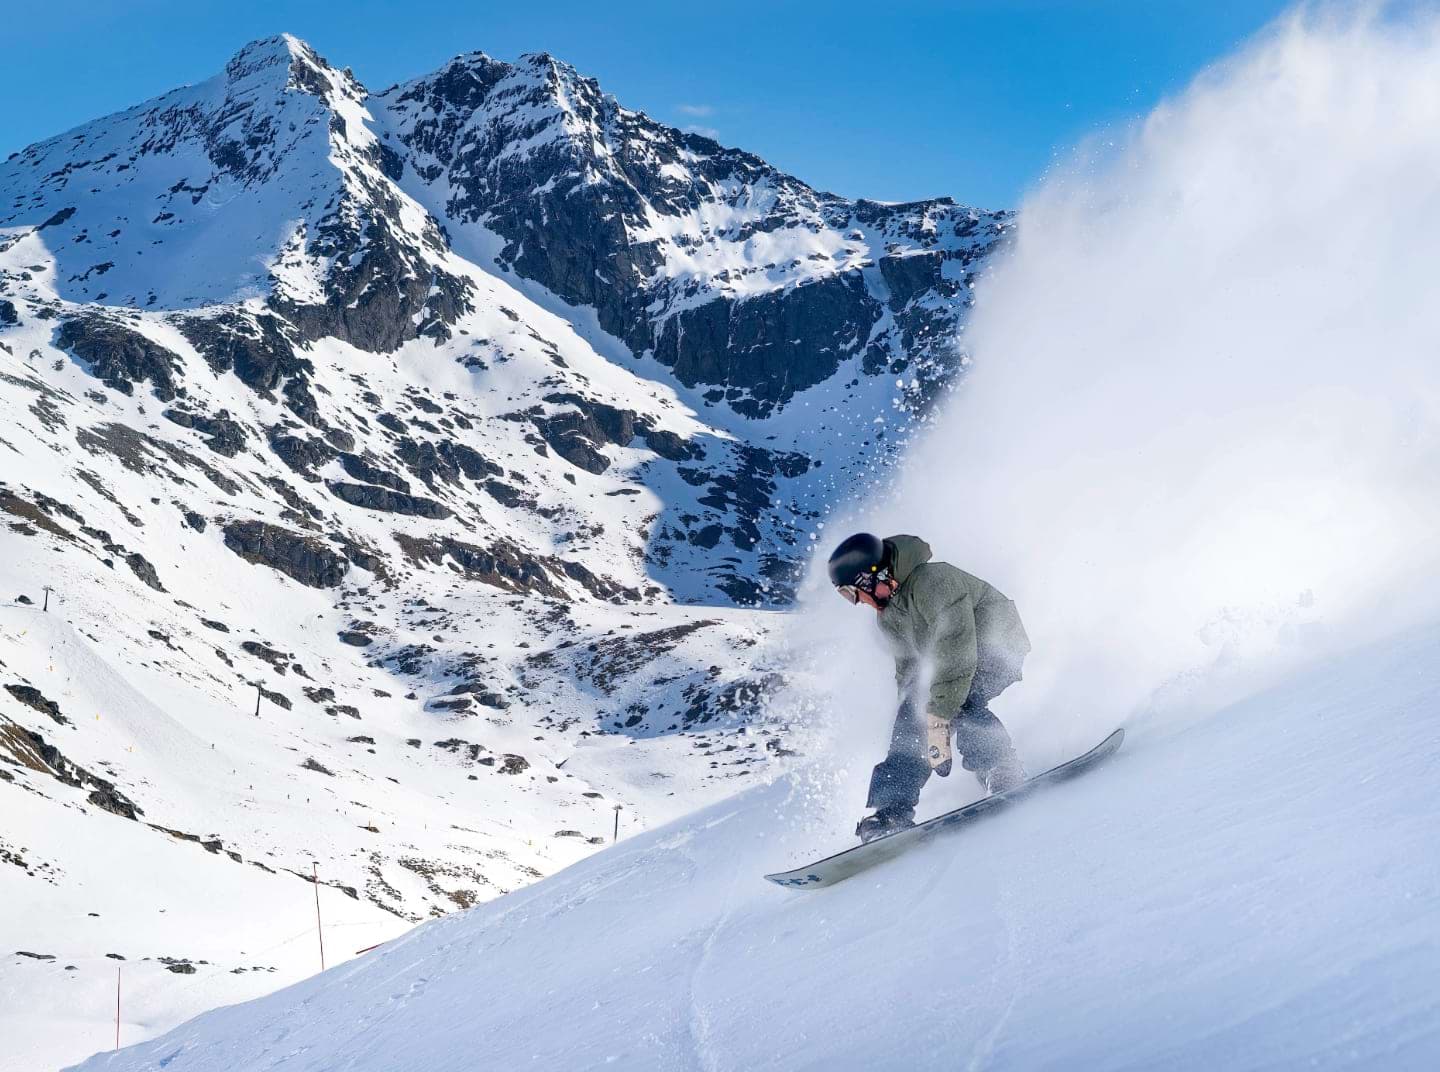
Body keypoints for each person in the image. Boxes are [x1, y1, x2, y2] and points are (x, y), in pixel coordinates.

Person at [827, 533, 1032, 843]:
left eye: (853, 593)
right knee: (915, 716)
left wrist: (938, 717)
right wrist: (914, 717)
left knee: (956, 702)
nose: (858, 603)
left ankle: (1002, 767)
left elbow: (957, 650)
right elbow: (909, 671)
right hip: (958, 661)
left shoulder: (933, 582)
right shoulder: (888, 617)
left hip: (997, 646)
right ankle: (893, 810)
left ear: (873, 576)